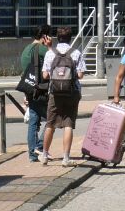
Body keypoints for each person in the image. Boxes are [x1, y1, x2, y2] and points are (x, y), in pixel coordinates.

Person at [40, 26, 85, 167]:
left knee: (50, 123)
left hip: (54, 93)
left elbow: (45, 75)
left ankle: (45, 155)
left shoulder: (50, 53)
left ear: (57, 38)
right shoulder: (76, 52)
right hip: (72, 92)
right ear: (70, 38)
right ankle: (66, 158)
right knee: (68, 124)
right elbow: (80, 75)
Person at [20, 24, 52, 162]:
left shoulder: (26, 49)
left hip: (30, 88)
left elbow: (24, 72)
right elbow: (55, 59)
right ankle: (39, 146)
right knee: (53, 118)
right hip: (42, 89)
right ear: (45, 36)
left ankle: (33, 154)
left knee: (33, 120)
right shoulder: (43, 49)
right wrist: (50, 46)